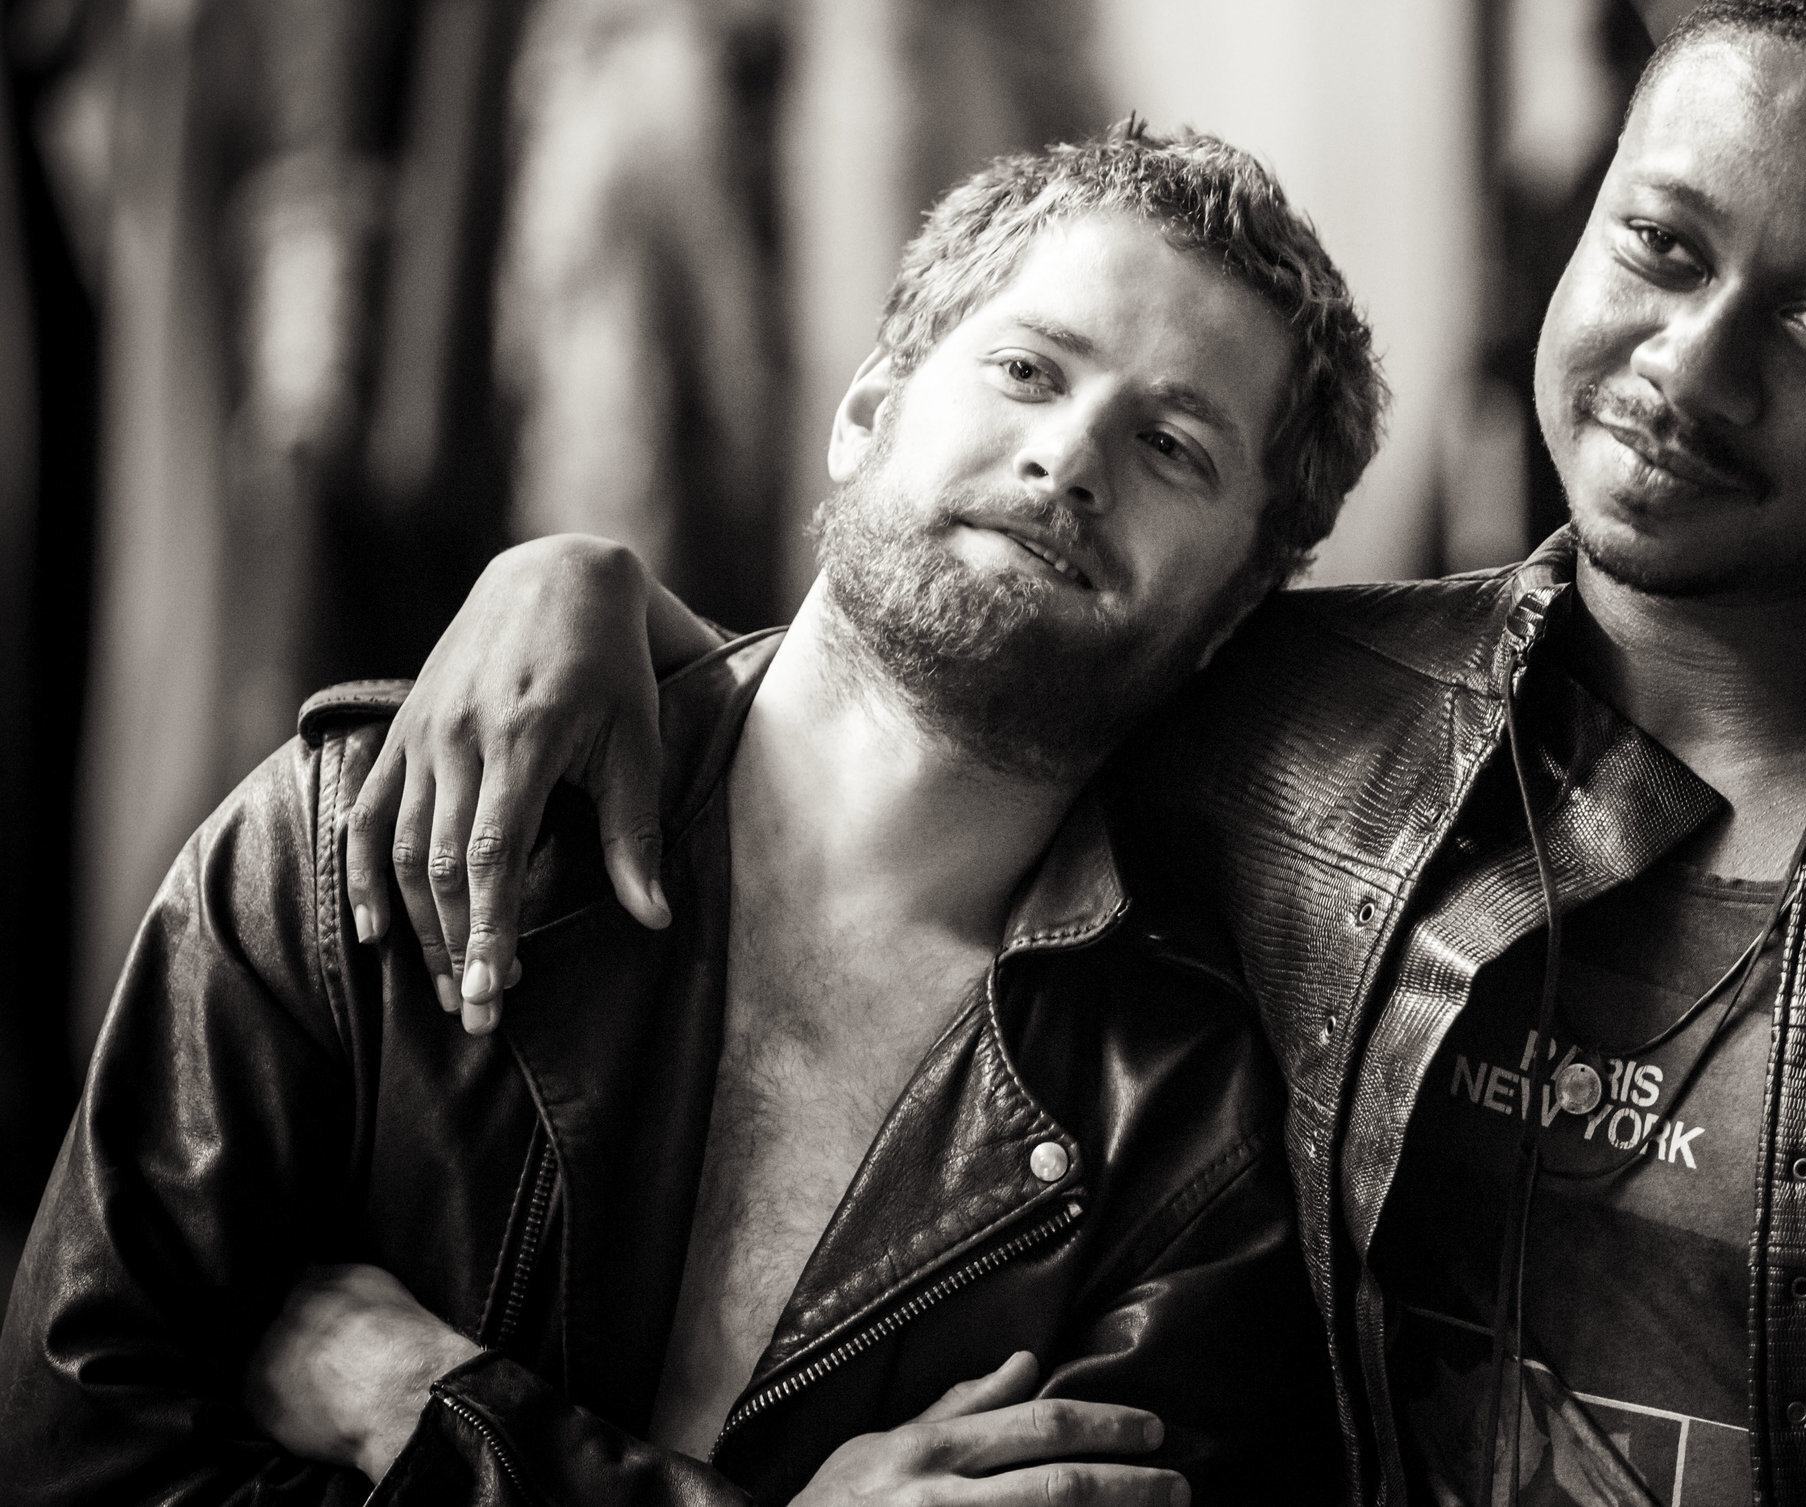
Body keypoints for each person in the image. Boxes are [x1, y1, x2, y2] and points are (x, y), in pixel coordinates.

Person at [304, 0, 1806, 1504]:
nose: (1688, 368)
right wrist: (588, 591)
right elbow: (913, 684)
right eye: (1659, 247)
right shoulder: (1298, 720)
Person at [0, 128, 1387, 1504]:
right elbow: (73, 1468)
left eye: (1172, 446)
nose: (1070, 459)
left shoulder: (1184, 1144)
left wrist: (434, 1413)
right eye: (1027, 369)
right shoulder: (358, 834)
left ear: (1233, 617)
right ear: (868, 410)